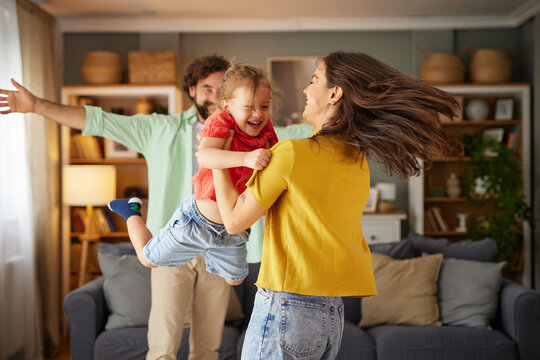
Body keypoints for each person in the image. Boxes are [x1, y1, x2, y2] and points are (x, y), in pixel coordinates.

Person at [0, 54, 313, 360]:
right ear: (194, 91)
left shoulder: (258, 130)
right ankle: (132, 214)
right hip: (180, 234)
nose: (216, 97)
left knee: (208, 348)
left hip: (222, 240)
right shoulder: (160, 130)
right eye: (208, 89)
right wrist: (36, 105)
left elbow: (306, 135)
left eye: (224, 90)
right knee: (163, 346)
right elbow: (99, 121)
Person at [211, 51, 463, 359]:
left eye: (314, 80)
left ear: (335, 93)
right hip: (330, 313)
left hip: (287, 306)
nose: (305, 90)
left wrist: (217, 160)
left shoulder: (289, 154)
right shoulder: (356, 161)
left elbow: (235, 221)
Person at [108, 63, 278, 286]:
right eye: (249, 106)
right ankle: (131, 210)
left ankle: (210, 252)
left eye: (265, 106)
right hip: (197, 222)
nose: (258, 114)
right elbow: (205, 156)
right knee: (148, 258)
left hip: (233, 228)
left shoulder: (266, 130)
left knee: (235, 280)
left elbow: (274, 165)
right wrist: (245, 159)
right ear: (227, 105)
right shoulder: (221, 120)